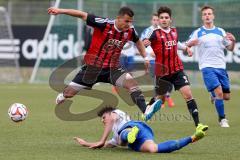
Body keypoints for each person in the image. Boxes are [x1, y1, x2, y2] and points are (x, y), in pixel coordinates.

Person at [47, 6, 162, 121]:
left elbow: (138, 42)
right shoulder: (104, 24)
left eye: (131, 21)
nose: (129, 24)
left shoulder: (130, 31)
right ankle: (63, 95)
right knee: (69, 93)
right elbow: (82, 14)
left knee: (132, 84)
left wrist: (146, 57)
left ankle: (145, 109)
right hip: (92, 69)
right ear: (118, 18)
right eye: (126, 21)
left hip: (113, 69)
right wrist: (60, 11)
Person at [143, 6, 208, 129]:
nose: (163, 20)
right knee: (160, 101)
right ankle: (148, 107)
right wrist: (145, 48)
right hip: (162, 73)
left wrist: (186, 48)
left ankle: (198, 125)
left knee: (188, 95)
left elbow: (176, 44)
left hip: (177, 70)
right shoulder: (154, 33)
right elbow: (144, 44)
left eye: (166, 17)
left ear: (170, 19)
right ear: (158, 20)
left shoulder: (174, 31)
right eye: (161, 18)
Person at [74, 106, 207, 152]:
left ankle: (131, 134)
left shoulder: (116, 114)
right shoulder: (115, 135)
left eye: (103, 117)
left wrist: (101, 140)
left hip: (133, 127)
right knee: (153, 149)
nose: (103, 121)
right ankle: (193, 138)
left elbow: (110, 120)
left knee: (123, 134)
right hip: (140, 136)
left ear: (109, 113)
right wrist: (86, 143)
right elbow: (105, 145)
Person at [186, 5, 236, 127]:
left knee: (226, 96)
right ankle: (222, 119)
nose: (207, 16)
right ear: (202, 17)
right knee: (219, 93)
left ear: (213, 16)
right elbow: (186, 46)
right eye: (205, 14)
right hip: (207, 66)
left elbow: (229, 48)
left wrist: (233, 41)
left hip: (221, 66)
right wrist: (189, 45)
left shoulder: (221, 31)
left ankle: (213, 95)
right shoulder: (198, 32)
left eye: (209, 14)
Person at [140, 13, 175, 108]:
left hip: (165, 60)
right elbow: (142, 45)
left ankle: (163, 98)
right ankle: (161, 99)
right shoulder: (148, 31)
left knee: (168, 81)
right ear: (152, 21)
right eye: (154, 20)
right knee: (160, 81)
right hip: (152, 60)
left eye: (157, 19)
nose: (156, 21)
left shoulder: (165, 31)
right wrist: (146, 57)